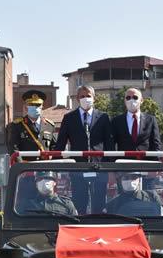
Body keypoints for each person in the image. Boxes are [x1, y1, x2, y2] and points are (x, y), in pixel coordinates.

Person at [55, 85, 113, 214]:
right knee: (79, 201)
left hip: (99, 166)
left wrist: (110, 166)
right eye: (82, 96)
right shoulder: (69, 118)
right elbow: (61, 143)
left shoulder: (103, 117)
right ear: (77, 98)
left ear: (94, 98)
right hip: (78, 167)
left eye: (88, 96)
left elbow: (109, 143)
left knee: (99, 202)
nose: (85, 98)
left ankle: (98, 225)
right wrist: (56, 165)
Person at [6, 90, 56, 155]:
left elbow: (53, 147)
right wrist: (21, 164)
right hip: (26, 164)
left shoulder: (49, 125)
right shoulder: (16, 125)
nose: (35, 107)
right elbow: (13, 149)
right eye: (31, 104)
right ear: (26, 107)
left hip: (45, 164)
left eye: (38, 105)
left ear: (42, 107)